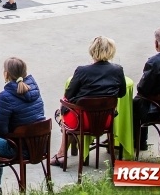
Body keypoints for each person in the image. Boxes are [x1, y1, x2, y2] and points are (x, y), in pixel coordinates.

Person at [51, 36, 127, 167]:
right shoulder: (118, 70)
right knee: (69, 112)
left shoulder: (82, 71)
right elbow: (122, 93)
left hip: (82, 121)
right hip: (106, 120)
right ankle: (63, 152)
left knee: (63, 111)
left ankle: (61, 154)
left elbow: (69, 95)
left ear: (92, 50)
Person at [0, 57, 45, 194]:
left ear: (6, 74)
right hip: (39, 145)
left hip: (17, 149)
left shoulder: (5, 96)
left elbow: (0, 131)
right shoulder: (34, 89)